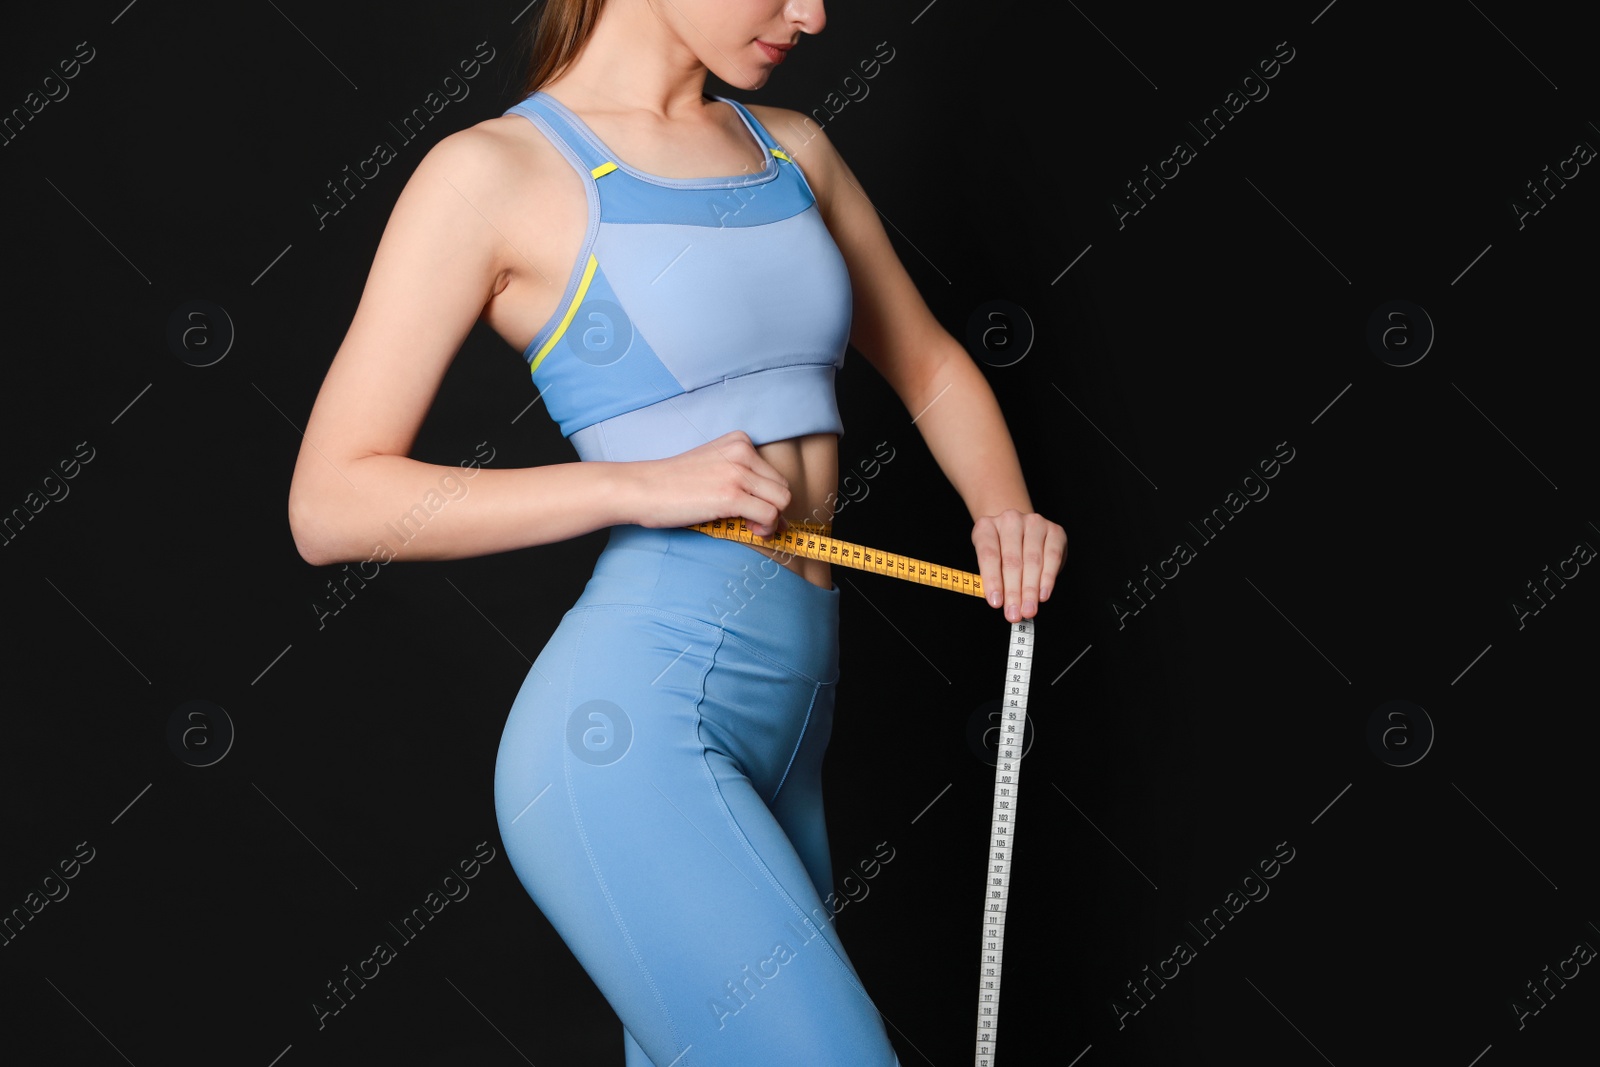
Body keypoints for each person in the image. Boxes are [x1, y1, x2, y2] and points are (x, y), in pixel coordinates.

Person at [287, 0, 1066, 1061]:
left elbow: (925, 362)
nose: (814, 13)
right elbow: (330, 503)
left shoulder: (790, 149)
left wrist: (1004, 512)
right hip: (634, 726)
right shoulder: (494, 173)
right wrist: (631, 486)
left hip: (793, 722)